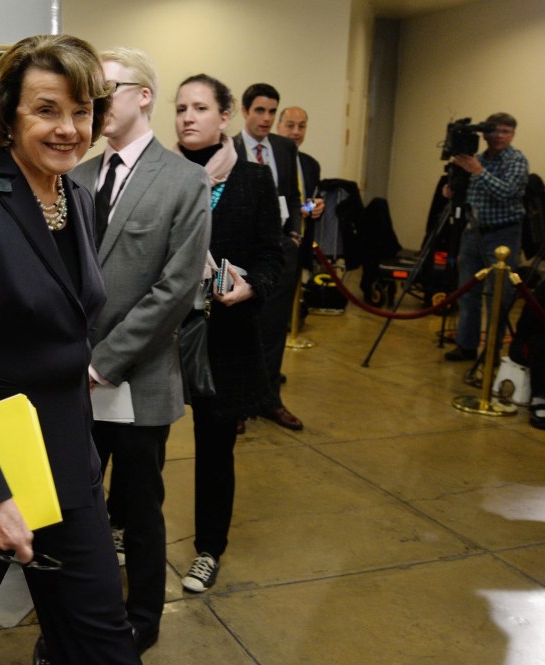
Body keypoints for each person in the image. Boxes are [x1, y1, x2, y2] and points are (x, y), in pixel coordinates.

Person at [0, 34, 141, 665]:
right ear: (8, 114)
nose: (69, 128)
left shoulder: (80, 199)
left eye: (82, 111)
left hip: (69, 463)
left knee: (102, 640)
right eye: (47, 110)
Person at [68, 46, 210, 654]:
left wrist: (105, 361)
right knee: (75, 501)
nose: (95, 103)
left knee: (141, 506)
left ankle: (142, 616)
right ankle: (76, 607)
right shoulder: (74, 176)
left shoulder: (183, 180)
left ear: (143, 95)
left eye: (106, 89)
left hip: (136, 374)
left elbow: (175, 289)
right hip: (70, 378)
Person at [174, 74, 285, 594]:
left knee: (216, 448)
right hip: (162, 335)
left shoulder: (253, 181)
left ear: (225, 118)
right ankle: (125, 525)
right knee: (140, 442)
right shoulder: (160, 172)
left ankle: (208, 549)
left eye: (200, 108)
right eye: (180, 108)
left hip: (224, 335)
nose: (187, 117)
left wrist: (251, 286)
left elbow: (273, 256)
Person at [233, 83, 304, 431]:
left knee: (275, 330)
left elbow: (292, 195)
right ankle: (237, 405)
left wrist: (294, 232)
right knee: (239, 331)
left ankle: (269, 400)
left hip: (279, 252)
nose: (266, 118)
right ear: (245, 112)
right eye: (260, 110)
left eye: (272, 111)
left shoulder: (284, 148)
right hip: (239, 259)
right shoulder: (228, 148)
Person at [442, 113, 528, 362]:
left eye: (506, 131)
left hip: (504, 234)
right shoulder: (476, 158)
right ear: (484, 133)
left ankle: (491, 352)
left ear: (512, 135)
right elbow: (468, 193)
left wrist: (478, 171)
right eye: (495, 131)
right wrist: (452, 188)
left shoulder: (516, 160)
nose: (499, 136)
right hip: (474, 231)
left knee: (498, 297)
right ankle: (466, 346)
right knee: (468, 292)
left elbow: (508, 192)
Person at [276, 106, 326, 274]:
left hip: (301, 245)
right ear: (278, 127)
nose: (296, 132)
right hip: (275, 245)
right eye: (290, 126)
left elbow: (308, 202)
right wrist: (299, 210)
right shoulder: (267, 161)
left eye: (302, 126)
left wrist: (316, 206)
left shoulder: (311, 165)